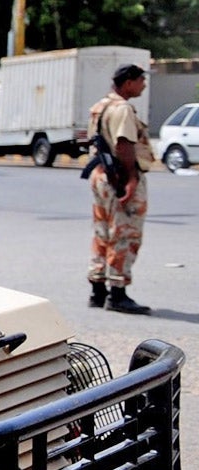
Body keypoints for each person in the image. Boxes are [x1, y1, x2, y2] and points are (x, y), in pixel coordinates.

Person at [86, 63, 155, 315]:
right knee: (124, 233)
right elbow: (124, 145)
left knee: (103, 232)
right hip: (118, 176)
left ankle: (98, 289)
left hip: (101, 175)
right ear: (128, 83)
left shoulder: (101, 105)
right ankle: (117, 292)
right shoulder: (123, 109)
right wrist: (131, 180)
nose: (143, 85)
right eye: (141, 81)